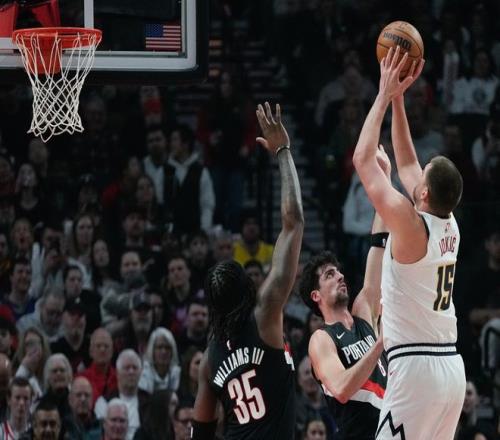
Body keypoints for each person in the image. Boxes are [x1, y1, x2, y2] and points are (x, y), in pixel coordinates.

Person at [352, 46, 466, 439]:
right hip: (450, 369)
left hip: (416, 368)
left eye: (424, 173)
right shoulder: (448, 221)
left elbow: (363, 160)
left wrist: (383, 94)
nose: (417, 170)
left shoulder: (411, 226)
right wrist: (400, 100)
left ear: (424, 194)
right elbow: (405, 163)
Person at [193, 102, 304, 439]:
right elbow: (294, 222)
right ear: (248, 289)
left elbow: (200, 431)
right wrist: (283, 151)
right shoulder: (265, 313)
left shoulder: (209, 359)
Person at [299, 204, 388, 439]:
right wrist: (379, 345)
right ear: (316, 296)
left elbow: (378, 248)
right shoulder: (321, 339)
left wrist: (383, 194)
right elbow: (341, 388)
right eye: (330, 275)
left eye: (338, 271)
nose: (340, 276)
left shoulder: (363, 312)